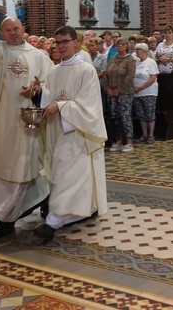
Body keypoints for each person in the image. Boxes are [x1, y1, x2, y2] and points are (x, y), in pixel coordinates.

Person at [0, 2, 54, 238]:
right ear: (2, 34)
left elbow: (51, 83)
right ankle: (42, 197)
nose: (13, 33)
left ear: (24, 29)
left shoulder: (39, 56)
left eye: (17, 28)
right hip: (3, 120)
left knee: (25, 165)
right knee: (4, 165)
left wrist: (38, 89)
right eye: (8, 30)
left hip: (28, 122)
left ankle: (7, 219)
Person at [33, 26, 107, 243]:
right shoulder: (54, 71)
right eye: (57, 42)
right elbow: (51, 96)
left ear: (76, 43)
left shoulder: (86, 70)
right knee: (62, 174)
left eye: (65, 41)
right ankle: (84, 209)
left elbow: (89, 105)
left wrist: (61, 106)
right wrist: (40, 92)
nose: (60, 46)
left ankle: (53, 222)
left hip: (77, 132)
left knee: (70, 175)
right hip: (58, 130)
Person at [105, 38, 137, 153]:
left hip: (125, 92)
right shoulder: (113, 59)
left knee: (125, 116)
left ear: (127, 46)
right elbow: (106, 73)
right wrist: (108, 88)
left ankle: (129, 142)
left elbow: (129, 77)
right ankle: (117, 141)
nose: (120, 46)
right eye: (118, 44)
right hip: (112, 92)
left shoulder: (130, 60)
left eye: (123, 44)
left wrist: (119, 89)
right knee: (115, 117)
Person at [133, 43, 159, 144]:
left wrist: (141, 87)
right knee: (141, 114)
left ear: (143, 50)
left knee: (149, 113)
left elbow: (153, 77)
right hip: (137, 92)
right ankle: (144, 134)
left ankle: (151, 134)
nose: (136, 51)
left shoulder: (150, 62)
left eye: (138, 49)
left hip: (148, 92)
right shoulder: (136, 63)